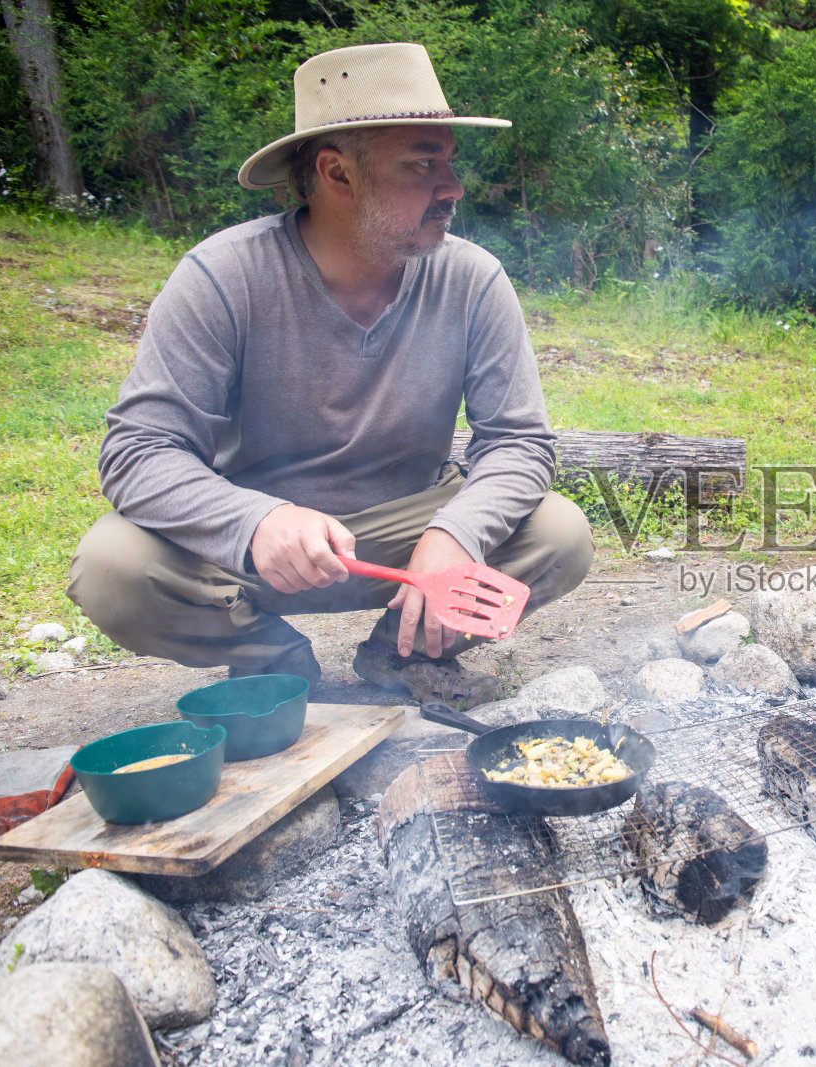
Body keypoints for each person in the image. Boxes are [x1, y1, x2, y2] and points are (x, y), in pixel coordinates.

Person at [67, 43, 593, 709]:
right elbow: (137, 451)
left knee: (559, 533)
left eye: (450, 163)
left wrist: (454, 534)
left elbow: (519, 442)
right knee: (113, 566)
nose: (453, 187)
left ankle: (402, 655)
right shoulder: (223, 277)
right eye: (423, 164)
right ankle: (273, 662)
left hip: (409, 526)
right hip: (260, 545)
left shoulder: (471, 278)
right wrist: (255, 519)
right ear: (338, 174)